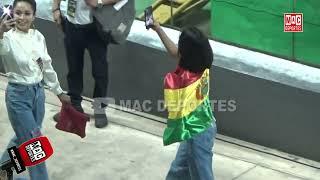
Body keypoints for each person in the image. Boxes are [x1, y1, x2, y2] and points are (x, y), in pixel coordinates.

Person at [0, 0, 71, 179]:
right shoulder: (7, 38)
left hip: (38, 94)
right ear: (12, 14)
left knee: (23, 137)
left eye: (26, 13)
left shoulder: (38, 36)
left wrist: (59, 92)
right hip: (18, 96)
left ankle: (3, 169)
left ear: (34, 16)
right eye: (17, 13)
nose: (21, 17)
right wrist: (0, 32)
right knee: (34, 144)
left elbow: (46, 66)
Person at [151, 22, 217, 180]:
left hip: (196, 131)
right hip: (202, 125)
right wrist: (158, 29)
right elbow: (176, 53)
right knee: (178, 170)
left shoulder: (182, 80)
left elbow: (172, 108)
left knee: (202, 175)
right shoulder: (202, 65)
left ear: (186, 53)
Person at [52, 0, 120, 128]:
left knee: (100, 71)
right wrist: (55, 9)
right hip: (71, 25)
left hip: (95, 28)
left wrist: (99, 2)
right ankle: (74, 106)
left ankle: (99, 108)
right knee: (73, 69)